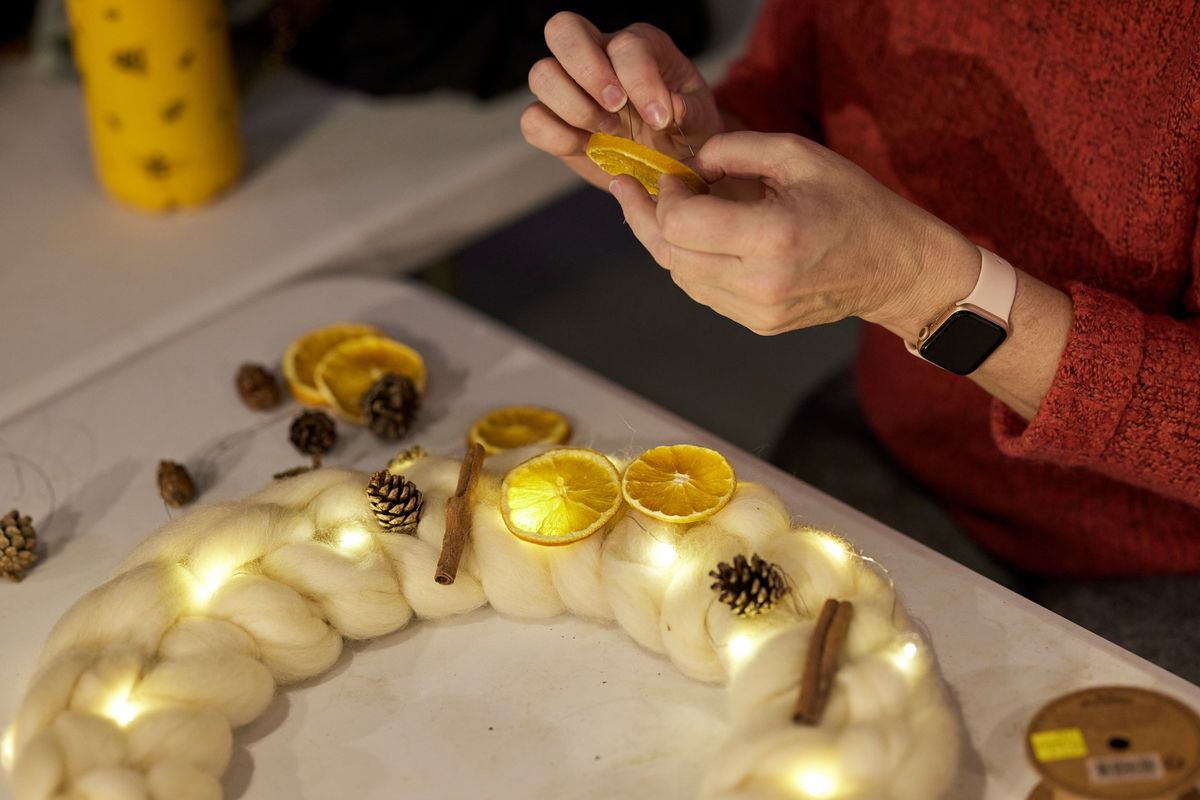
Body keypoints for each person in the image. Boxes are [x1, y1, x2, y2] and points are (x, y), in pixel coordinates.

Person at [520, 4, 1200, 681]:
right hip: (898, 442)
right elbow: (794, 88)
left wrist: (918, 288)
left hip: (1169, 558)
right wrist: (685, 143)